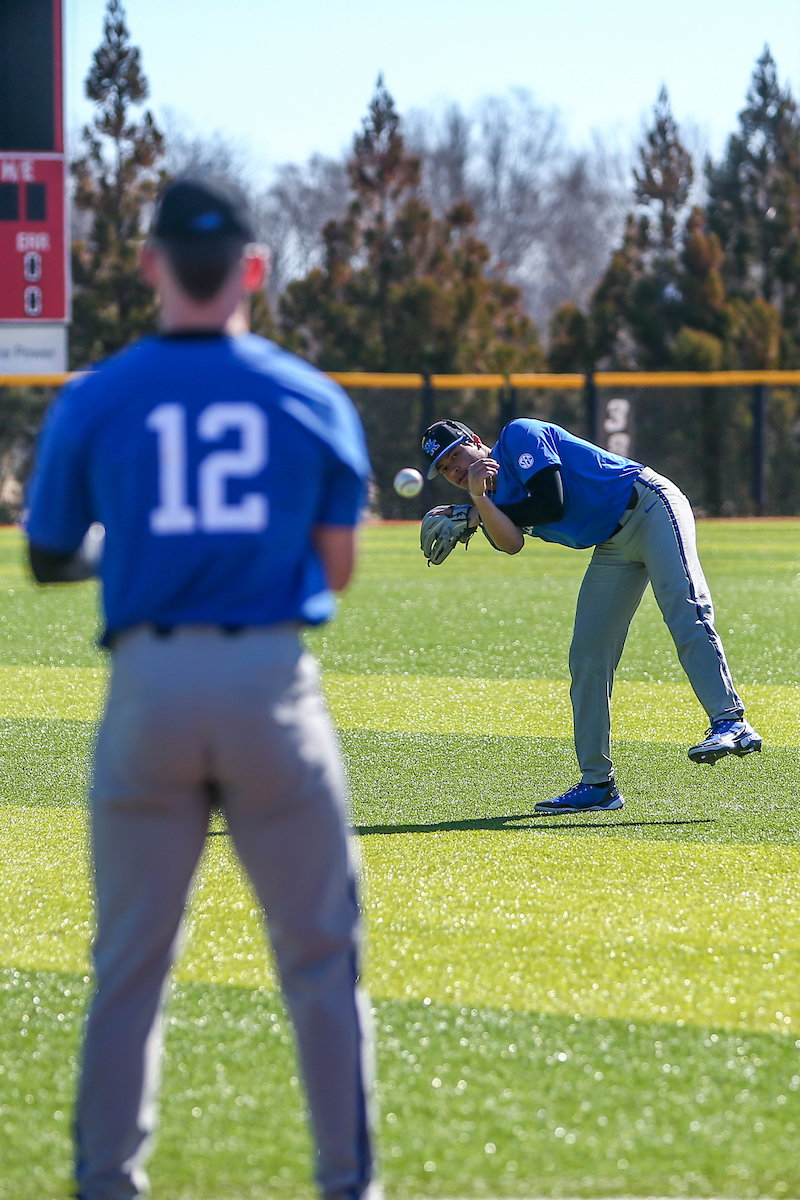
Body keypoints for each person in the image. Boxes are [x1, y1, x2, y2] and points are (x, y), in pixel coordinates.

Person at [25, 176, 376, 1200]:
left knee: (130, 965)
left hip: (146, 687)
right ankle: (348, 1185)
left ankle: (106, 1183)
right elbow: (337, 568)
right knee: (320, 960)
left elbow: (47, 555)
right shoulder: (309, 394)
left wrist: (130, 550)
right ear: (254, 269)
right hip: (268, 683)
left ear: (149, 266)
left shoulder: (95, 393)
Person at [420, 416, 762, 814]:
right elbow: (510, 544)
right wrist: (480, 501)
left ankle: (731, 722)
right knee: (587, 655)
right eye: (445, 468)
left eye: (456, 454)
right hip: (613, 546)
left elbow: (551, 501)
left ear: (476, 442)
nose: (455, 469)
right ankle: (597, 783)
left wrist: (478, 512)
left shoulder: (518, 436)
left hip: (649, 505)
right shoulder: (489, 498)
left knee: (683, 607)